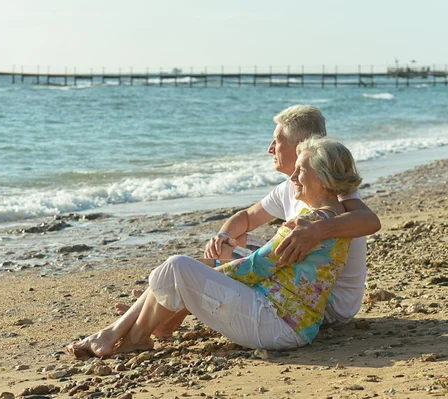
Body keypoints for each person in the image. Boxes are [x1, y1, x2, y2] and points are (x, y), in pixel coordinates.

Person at [67, 137, 363, 356]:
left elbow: (253, 269)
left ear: (323, 180)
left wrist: (208, 270)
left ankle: (129, 337)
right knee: (178, 272)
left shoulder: (307, 226)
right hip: (286, 319)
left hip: (277, 324)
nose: (294, 177)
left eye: (301, 171)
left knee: (176, 268)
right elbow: (268, 266)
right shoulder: (334, 217)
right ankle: (118, 334)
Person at [204, 105, 380, 327]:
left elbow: (371, 221)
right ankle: (208, 295)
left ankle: (206, 296)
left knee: (215, 265)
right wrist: (222, 235)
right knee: (232, 242)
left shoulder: (333, 188)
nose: (270, 149)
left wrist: (317, 230)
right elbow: (247, 217)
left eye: (277, 141)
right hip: (305, 289)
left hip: (329, 303)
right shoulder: (290, 187)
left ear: (300, 146)